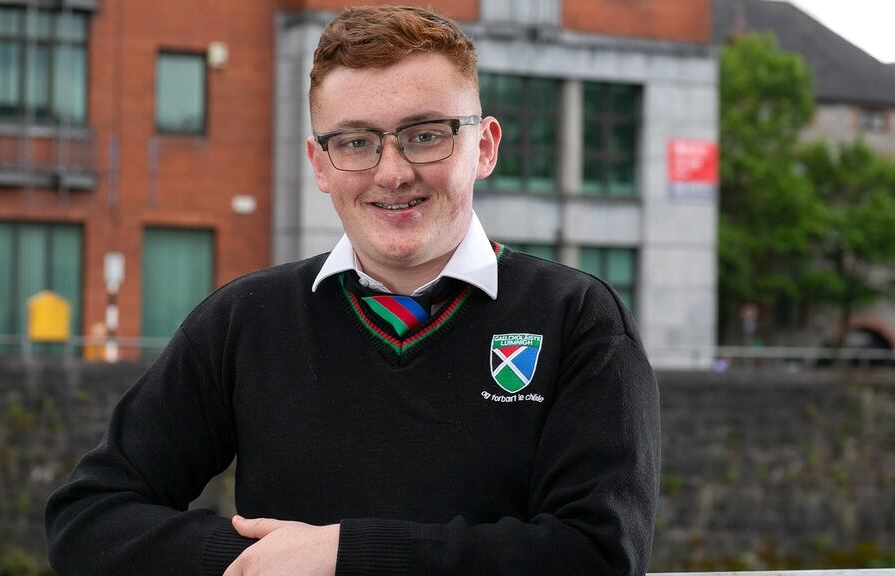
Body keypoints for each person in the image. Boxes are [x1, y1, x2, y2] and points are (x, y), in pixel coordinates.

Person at [45, 5, 660, 575]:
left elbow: (598, 554)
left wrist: (344, 556)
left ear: (484, 147)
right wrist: (256, 563)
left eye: (426, 134)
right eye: (356, 142)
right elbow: (88, 519)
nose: (392, 172)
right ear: (319, 163)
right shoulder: (247, 320)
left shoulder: (577, 320)